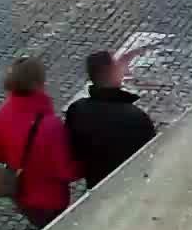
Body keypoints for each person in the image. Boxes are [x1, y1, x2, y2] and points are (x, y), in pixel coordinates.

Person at [0, 56, 78, 229]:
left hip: (22, 195)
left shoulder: (3, 114)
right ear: (38, 83)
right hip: (51, 199)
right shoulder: (51, 126)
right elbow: (66, 172)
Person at [63, 50, 157, 188]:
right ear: (112, 74)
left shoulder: (77, 110)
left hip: (96, 183)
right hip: (132, 187)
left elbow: (73, 152)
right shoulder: (136, 117)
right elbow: (152, 158)